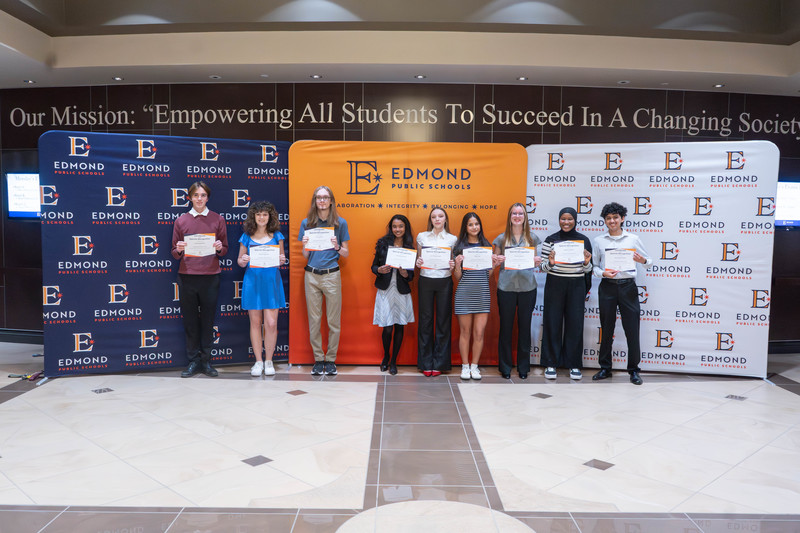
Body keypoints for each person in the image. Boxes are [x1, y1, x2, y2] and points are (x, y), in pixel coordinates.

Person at [171, 181, 228, 378]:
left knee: (208, 320)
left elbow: (225, 249)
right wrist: (179, 249)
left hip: (210, 277)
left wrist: (219, 247)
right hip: (187, 276)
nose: (199, 199)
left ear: (208, 197)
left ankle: (206, 361)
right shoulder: (181, 220)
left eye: (203, 195)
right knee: (190, 321)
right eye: (196, 195)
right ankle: (193, 361)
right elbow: (174, 251)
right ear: (190, 198)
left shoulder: (218, 219)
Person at [591, 202, 652, 385]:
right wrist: (603, 273)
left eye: (615, 217)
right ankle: (605, 368)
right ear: (605, 220)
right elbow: (594, 266)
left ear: (622, 218)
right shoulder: (598, 241)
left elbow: (649, 261)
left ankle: (634, 370)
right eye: (608, 218)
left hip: (628, 287)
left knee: (632, 329)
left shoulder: (633, 239)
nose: (612, 221)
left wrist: (642, 260)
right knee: (606, 328)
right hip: (607, 287)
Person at [298, 186, 349, 376]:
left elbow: (346, 253)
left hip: (331, 275)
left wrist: (337, 247)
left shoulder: (340, 223)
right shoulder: (307, 223)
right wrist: (305, 246)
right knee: (314, 320)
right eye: (318, 197)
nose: (322, 200)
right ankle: (319, 359)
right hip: (311, 275)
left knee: (333, 321)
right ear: (315, 201)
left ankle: (331, 360)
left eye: (325, 197)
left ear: (331, 201)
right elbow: (305, 255)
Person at [539, 207, 592, 380]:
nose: (566, 222)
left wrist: (586, 263)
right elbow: (543, 267)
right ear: (559, 220)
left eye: (570, 219)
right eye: (563, 219)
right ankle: (551, 363)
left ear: (575, 220)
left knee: (575, 325)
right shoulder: (550, 240)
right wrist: (551, 263)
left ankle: (573, 364)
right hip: (555, 284)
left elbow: (588, 269)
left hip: (576, 286)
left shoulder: (583, 240)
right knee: (552, 323)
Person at [492, 203, 542, 379]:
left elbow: (537, 263)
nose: (517, 216)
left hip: (528, 287)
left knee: (525, 328)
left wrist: (538, 262)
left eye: (521, 213)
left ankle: (523, 367)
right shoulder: (501, 239)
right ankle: (505, 367)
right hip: (506, 288)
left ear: (525, 217)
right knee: (506, 328)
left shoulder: (533, 238)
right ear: (510, 216)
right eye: (514, 213)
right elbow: (494, 264)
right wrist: (496, 261)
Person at [237, 201, 287, 377]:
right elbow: (240, 260)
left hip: (271, 282)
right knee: (255, 323)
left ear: (270, 217)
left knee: (271, 323)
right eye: (258, 214)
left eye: (265, 214)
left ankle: (269, 361)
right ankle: (258, 361)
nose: (261, 217)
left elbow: (281, 259)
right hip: (253, 282)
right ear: (253, 216)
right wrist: (243, 260)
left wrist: (282, 260)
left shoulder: (278, 236)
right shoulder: (246, 236)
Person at [453, 212, 498, 380]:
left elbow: (487, 275)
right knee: (465, 332)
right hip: (464, 293)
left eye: (476, 224)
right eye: (470, 224)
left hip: (482, 294)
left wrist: (494, 265)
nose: (474, 227)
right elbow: (458, 277)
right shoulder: (459, 247)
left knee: (479, 333)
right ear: (465, 227)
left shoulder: (486, 246)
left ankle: (475, 366)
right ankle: (465, 367)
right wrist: (457, 265)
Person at [372, 214, 416, 375]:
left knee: (399, 326)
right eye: (395, 226)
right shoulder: (383, 243)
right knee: (387, 328)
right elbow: (373, 266)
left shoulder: (410, 247)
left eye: (401, 226)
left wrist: (405, 274)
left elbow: (411, 276)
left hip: (401, 291)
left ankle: (393, 361)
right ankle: (386, 356)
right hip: (385, 290)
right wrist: (379, 269)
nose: (398, 229)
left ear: (405, 228)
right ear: (391, 228)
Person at [415, 207, 457, 377]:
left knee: (443, 321)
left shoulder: (452, 239)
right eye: (434, 217)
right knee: (425, 321)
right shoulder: (422, 236)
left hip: (444, 280)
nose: (437, 219)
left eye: (440, 216)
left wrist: (453, 265)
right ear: (430, 220)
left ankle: (439, 363)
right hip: (425, 279)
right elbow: (419, 259)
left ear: (445, 219)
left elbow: (453, 261)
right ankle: (426, 363)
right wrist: (418, 262)